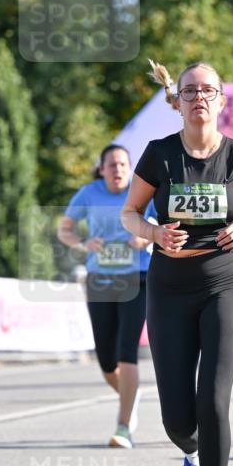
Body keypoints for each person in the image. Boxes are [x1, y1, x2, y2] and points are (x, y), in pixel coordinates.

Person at [121, 60, 233, 466]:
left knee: (213, 399)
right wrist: (152, 232)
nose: (199, 97)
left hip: (225, 284)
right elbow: (129, 212)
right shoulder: (159, 155)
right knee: (177, 417)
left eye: (208, 90)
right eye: (190, 91)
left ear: (221, 101)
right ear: (179, 101)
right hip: (169, 287)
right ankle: (190, 457)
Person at [58, 144, 153, 449]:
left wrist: (145, 236)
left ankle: (123, 426)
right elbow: (65, 230)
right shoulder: (88, 193)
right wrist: (84, 243)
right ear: (101, 169)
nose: (118, 170)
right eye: (111, 165)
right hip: (100, 279)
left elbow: (161, 224)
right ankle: (130, 394)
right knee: (106, 359)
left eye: (123, 164)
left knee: (127, 351)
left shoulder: (142, 190)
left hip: (137, 277)